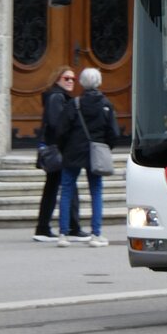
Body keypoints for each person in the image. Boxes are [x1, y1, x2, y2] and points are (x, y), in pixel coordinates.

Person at [56, 67, 119, 247]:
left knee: (67, 191)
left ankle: (63, 234)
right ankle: (96, 234)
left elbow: (62, 131)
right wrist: (106, 148)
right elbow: (113, 133)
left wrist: (64, 149)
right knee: (96, 191)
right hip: (95, 154)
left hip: (73, 152)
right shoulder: (105, 104)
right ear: (98, 82)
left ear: (82, 83)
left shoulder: (74, 104)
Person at [32, 66, 82, 242]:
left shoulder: (59, 97)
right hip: (58, 150)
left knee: (53, 189)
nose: (70, 81)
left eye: (72, 79)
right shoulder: (57, 97)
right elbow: (56, 124)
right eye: (66, 78)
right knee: (68, 188)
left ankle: (44, 227)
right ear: (57, 80)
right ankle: (73, 227)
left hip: (57, 149)